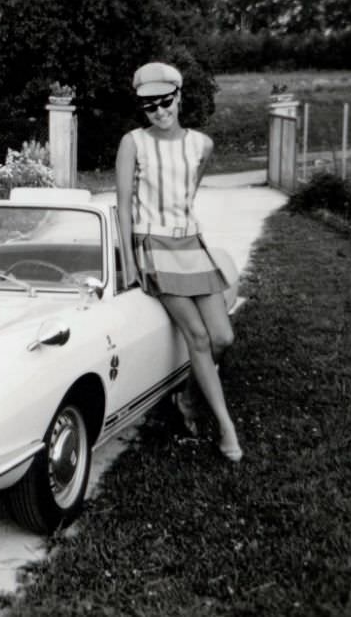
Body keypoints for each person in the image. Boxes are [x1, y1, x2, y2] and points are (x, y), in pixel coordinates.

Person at [115, 62, 242, 462]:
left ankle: (187, 398)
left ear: (179, 97)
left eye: (165, 102)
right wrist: (131, 263)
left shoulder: (202, 144)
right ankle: (227, 428)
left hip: (191, 245)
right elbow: (122, 206)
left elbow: (190, 191)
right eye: (150, 107)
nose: (160, 112)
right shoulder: (132, 142)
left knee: (223, 337)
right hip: (153, 247)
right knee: (199, 338)